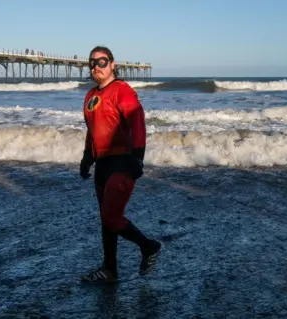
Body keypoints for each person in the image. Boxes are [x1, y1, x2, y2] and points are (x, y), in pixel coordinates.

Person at [79, 46, 162, 283]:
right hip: (102, 164)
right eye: (92, 63)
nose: (96, 66)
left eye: (102, 61)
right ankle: (109, 269)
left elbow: (138, 122)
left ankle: (149, 247)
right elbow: (91, 130)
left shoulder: (122, 90)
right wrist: (86, 158)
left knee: (111, 217)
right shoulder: (90, 96)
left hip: (122, 162)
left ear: (113, 64)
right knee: (107, 219)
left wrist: (138, 157)